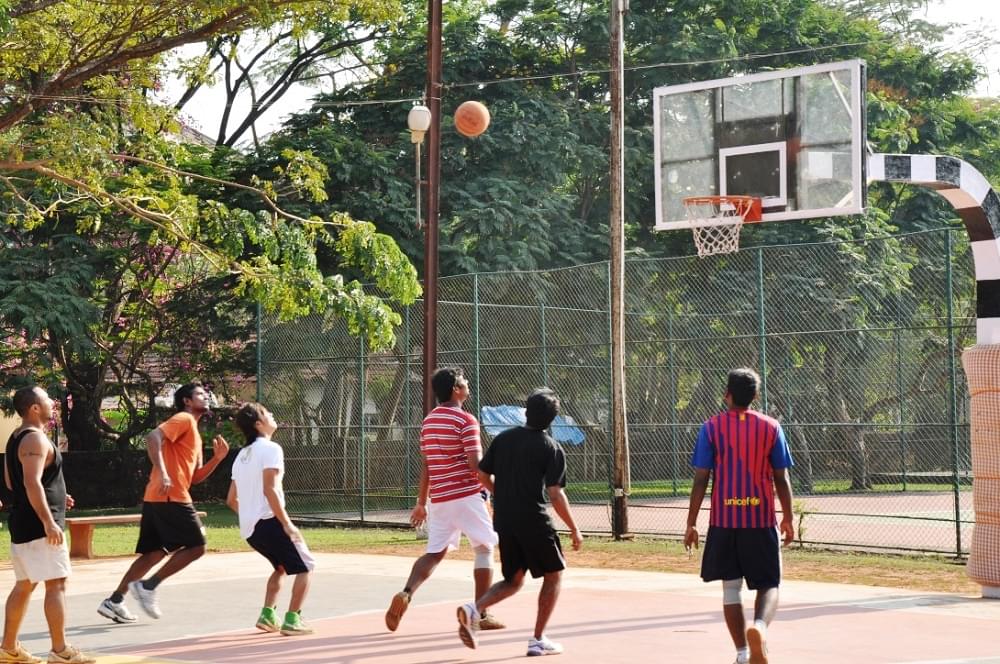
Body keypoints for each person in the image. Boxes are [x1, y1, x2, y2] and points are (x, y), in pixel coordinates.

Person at [456, 387, 583, 657]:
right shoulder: (551, 447)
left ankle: (473, 609)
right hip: (533, 519)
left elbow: (481, 473)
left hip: (504, 518)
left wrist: (499, 492)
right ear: (553, 419)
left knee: (513, 580)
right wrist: (574, 528)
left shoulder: (503, 439)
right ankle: (537, 639)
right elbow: (555, 493)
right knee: (554, 574)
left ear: (526, 412)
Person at [684, 368, 794, 664]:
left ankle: (743, 653)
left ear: (727, 395)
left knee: (730, 587)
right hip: (760, 520)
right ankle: (759, 627)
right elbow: (781, 478)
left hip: (724, 520)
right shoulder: (771, 428)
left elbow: (700, 478)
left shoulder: (711, 428)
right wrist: (788, 517)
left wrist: (691, 522)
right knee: (769, 584)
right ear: (756, 396)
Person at [384, 367, 504, 632]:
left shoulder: (428, 422)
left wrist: (420, 503)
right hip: (468, 495)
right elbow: (475, 465)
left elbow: (426, 465)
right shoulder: (466, 420)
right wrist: (499, 491)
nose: (467, 384)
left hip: (439, 499)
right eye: (464, 382)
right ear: (455, 390)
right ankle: (481, 613)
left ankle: (406, 592)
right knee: (484, 548)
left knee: (434, 553)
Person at [97, 382, 229, 623]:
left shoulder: (195, 433)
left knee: (154, 553)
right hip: (171, 496)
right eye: (200, 394)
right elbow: (152, 436)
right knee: (197, 546)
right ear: (187, 401)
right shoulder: (184, 419)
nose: (206, 396)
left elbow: (195, 477)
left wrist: (218, 459)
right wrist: (164, 471)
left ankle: (114, 601)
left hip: (158, 496)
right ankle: (149, 585)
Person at [2, 386, 95, 664]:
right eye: (47, 400)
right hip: (39, 526)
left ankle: (8, 648)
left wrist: (56, 496)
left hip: (23, 522)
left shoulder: (16, 438)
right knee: (56, 584)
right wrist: (48, 521)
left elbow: (12, 484)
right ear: (34, 407)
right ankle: (60, 650)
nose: (52, 403)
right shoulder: (34, 440)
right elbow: (30, 482)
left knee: (25, 584)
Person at [226, 402, 314, 636]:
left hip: (250, 531)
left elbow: (231, 500)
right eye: (267, 414)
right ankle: (293, 620)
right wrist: (287, 524)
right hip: (270, 522)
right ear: (258, 424)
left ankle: (267, 615)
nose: (272, 415)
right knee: (306, 567)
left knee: (282, 567)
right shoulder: (271, 449)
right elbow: (270, 489)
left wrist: (249, 516)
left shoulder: (241, 456)